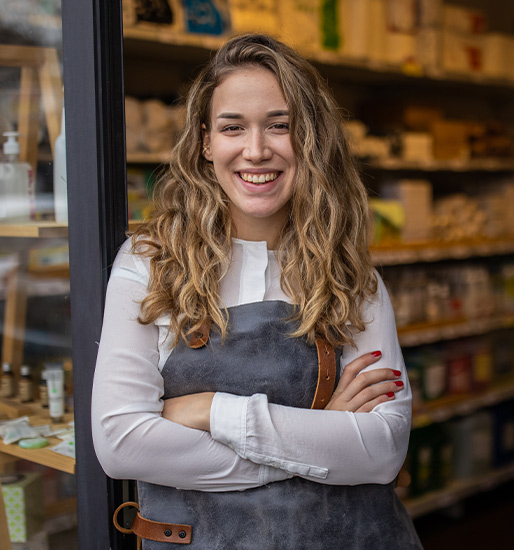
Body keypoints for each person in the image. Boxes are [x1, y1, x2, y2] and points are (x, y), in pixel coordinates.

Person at [92, 33, 422, 549]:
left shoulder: (351, 275)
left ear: (309, 138)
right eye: (232, 127)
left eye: (279, 126)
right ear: (205, 142)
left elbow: (382, 451)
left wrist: (210, 410)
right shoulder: (149, 264)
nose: (256, 150)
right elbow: (122, 445)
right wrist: (315, 442)